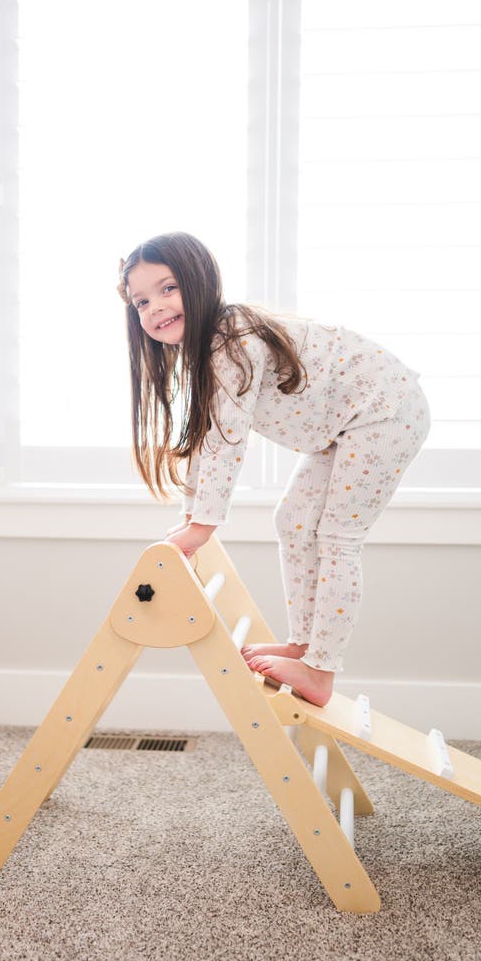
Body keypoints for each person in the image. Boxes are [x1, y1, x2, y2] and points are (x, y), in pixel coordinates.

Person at [117, 231, 430, 708]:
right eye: (140, 301)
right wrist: (190, 517)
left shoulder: (230, 341)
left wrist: (203, 527)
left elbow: (227, 441)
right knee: (293, 522)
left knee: (339, 535)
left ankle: (321, 670)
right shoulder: (206, 353)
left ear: (200, 282)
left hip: (383, 409)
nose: (154, 308)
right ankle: (304, 647)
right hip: (347, 425)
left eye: (167, 288)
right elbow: (207, 437)